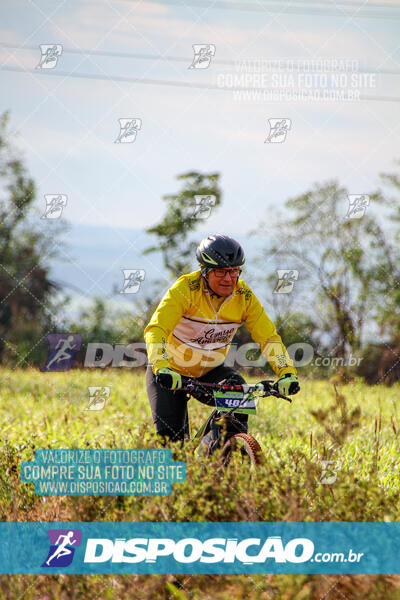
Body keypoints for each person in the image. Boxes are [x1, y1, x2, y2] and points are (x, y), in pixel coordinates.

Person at [144, 234, 299, 443]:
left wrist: (287, 372)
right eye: (220, 272)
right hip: (170, 372)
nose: (228, 279)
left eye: (234, 271)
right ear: (205, 271)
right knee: (172, 446)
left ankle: (223, 453)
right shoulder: (185, 290)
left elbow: (268, 338)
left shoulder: (243, 296)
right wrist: (161, 367)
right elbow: (157, 329)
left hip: (211, 371)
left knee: (240, 402)